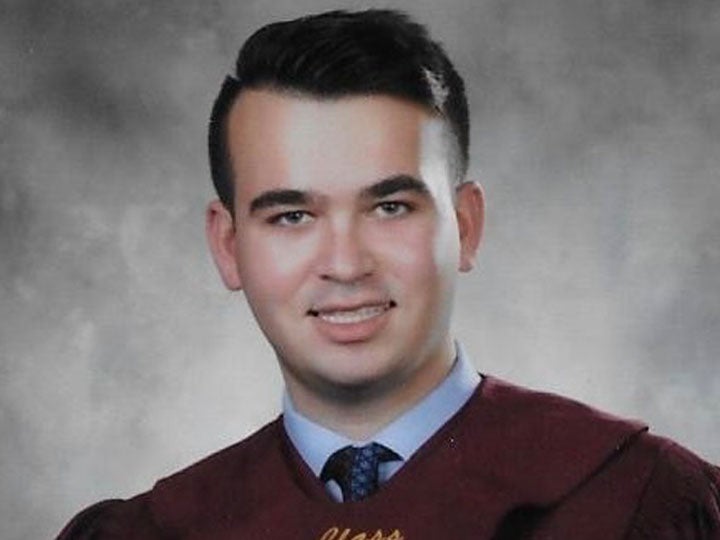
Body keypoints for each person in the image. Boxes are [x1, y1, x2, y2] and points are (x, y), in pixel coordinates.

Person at [56, 9, 719, 540]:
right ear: (229, 247)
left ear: (465, 225)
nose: (346, 265)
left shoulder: (643, 502)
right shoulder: (153, 530)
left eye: (390, 207)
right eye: (292, 216)